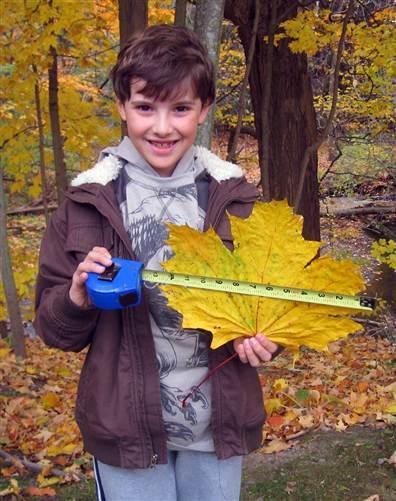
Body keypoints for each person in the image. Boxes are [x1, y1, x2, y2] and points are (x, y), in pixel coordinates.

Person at [34, 25, 279, 501]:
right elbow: (53, 330)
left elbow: (270, 306)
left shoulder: (237, 202)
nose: (162, 127)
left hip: (218, 427)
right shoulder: (89, 202)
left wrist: (266, 340)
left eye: (181, 108)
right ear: (123, 107)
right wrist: (76, 297)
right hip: (125, 429)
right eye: (145, 107)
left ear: (204, 110)